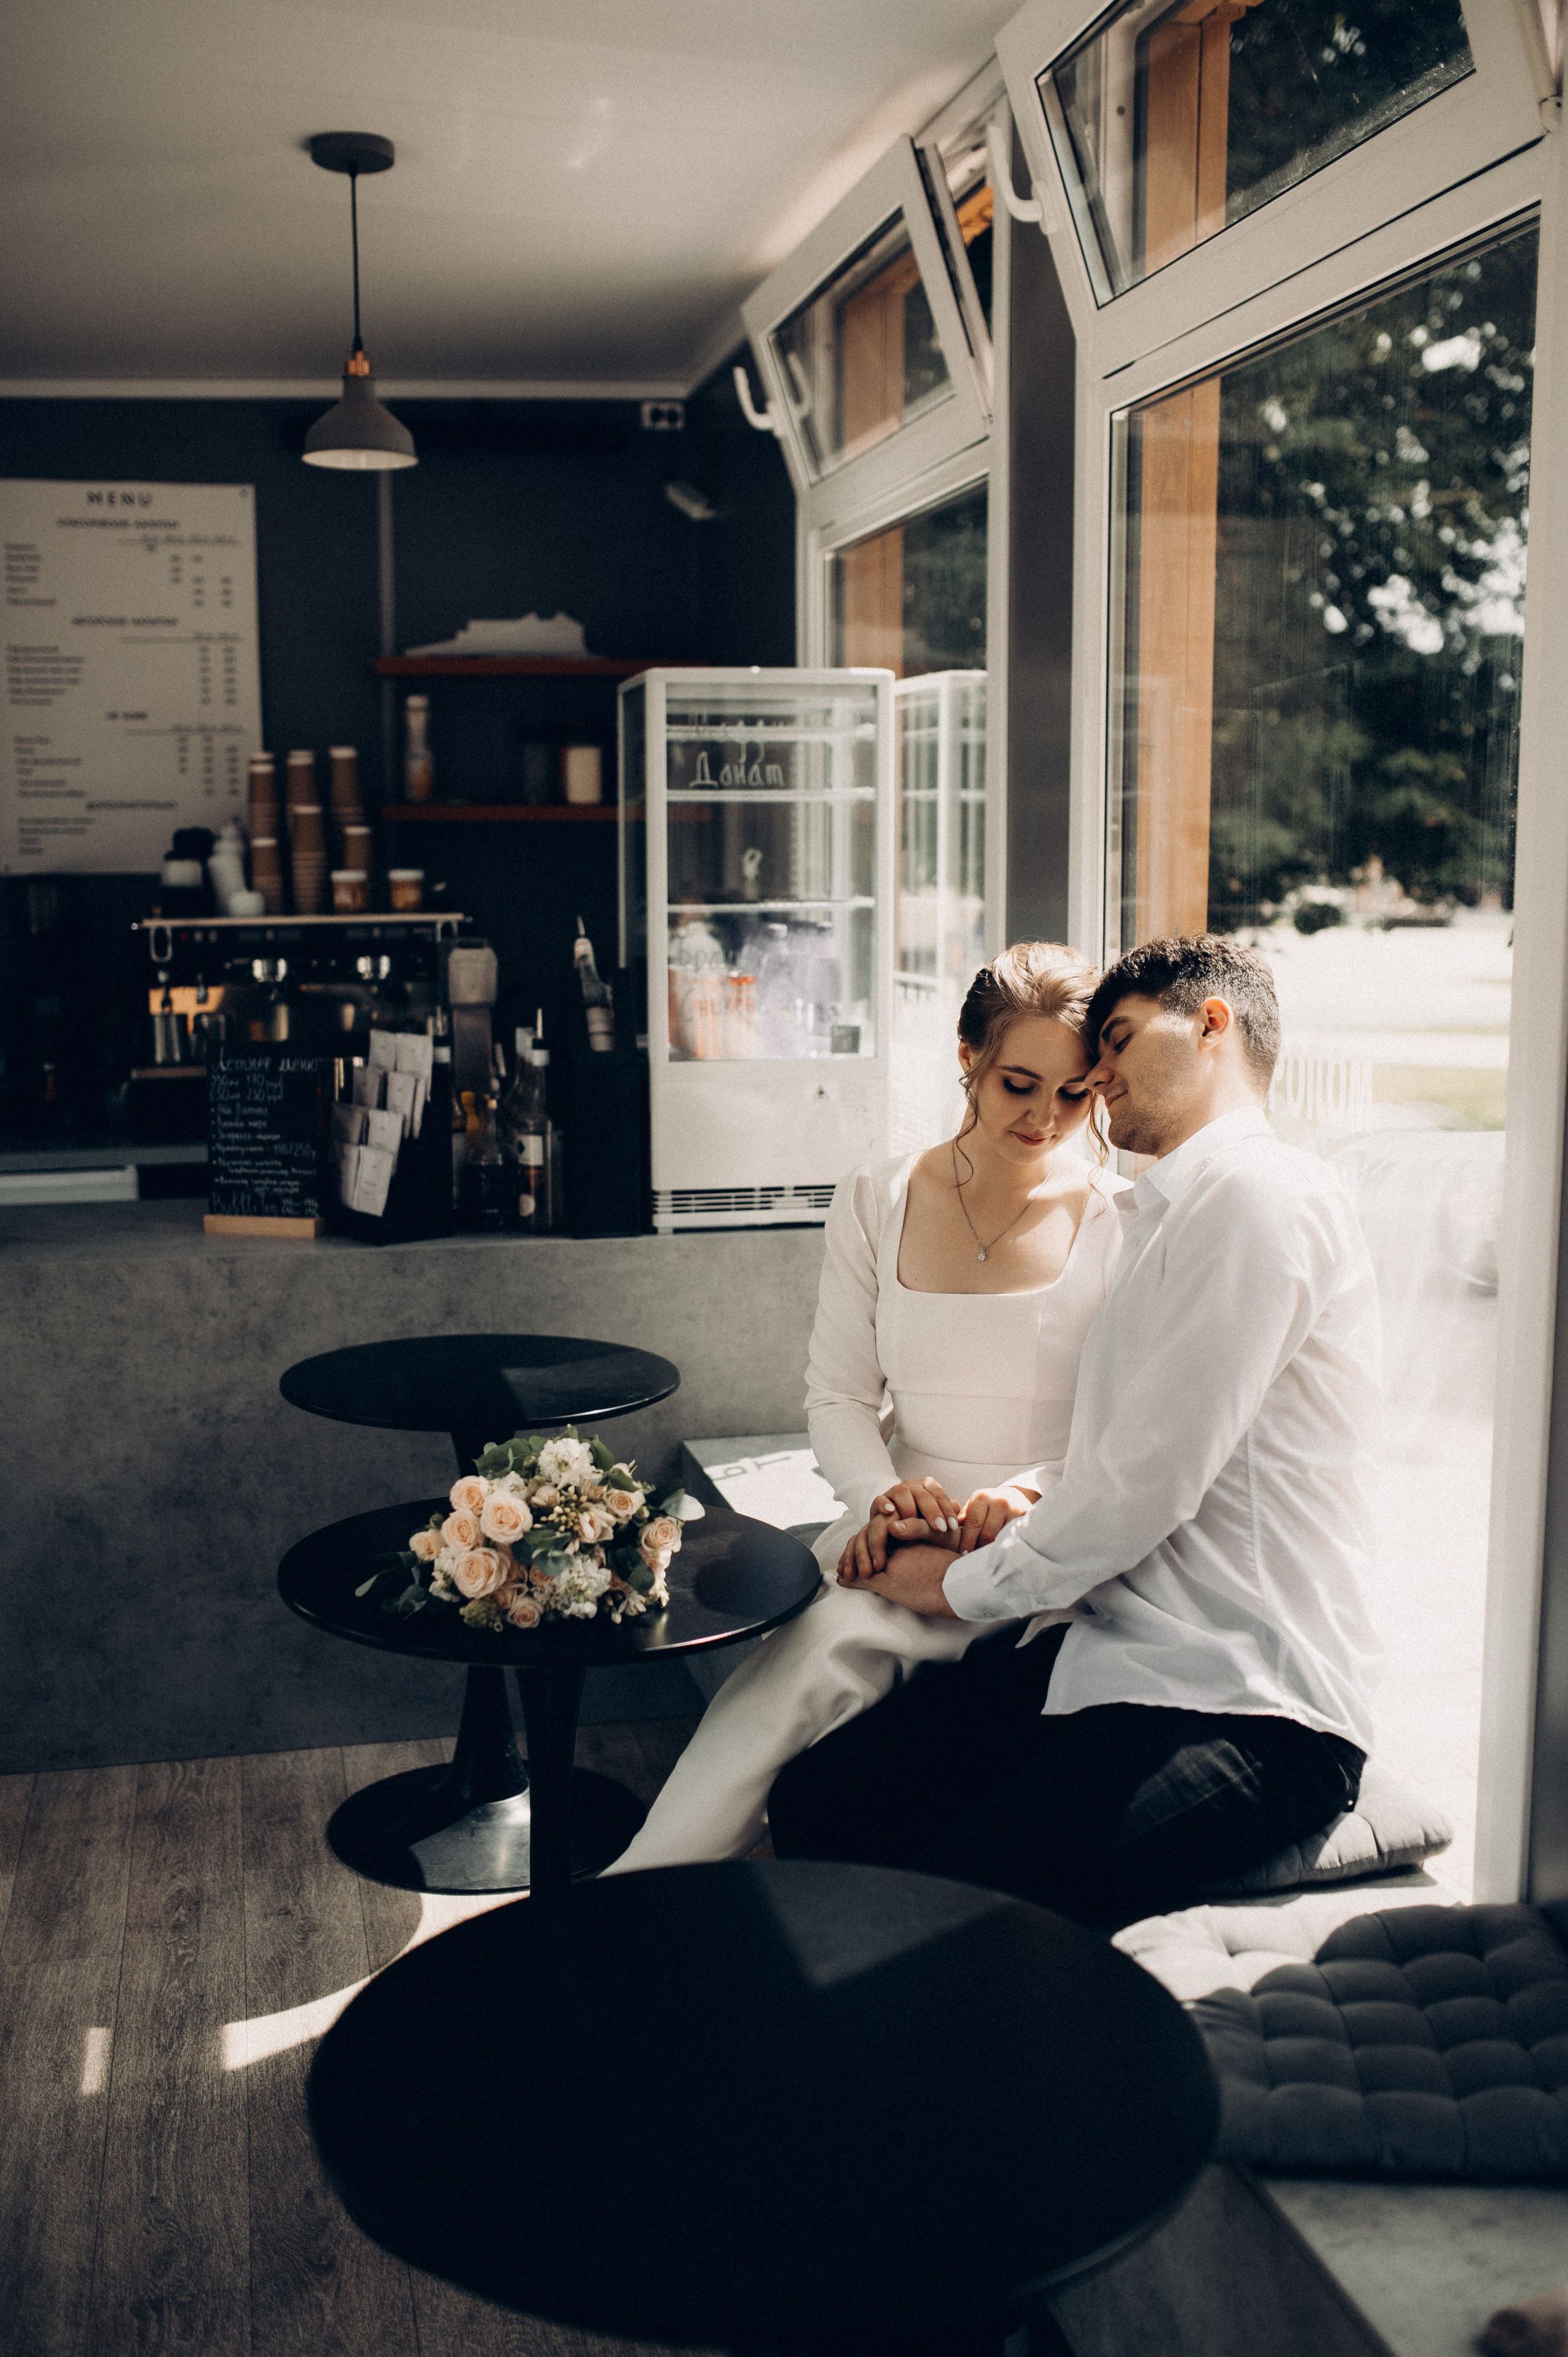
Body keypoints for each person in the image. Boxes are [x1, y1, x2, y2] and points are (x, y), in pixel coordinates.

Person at [766, 934, 1383, 1929]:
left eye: (1121, 1040)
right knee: (819, 1799)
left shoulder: (1260, 1197)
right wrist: (1007, 1502)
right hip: (1110, 1656)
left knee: (963, 1903)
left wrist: (955, 1586)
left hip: (1253, 1701)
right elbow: (1107, 1459)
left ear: (1211, 1026)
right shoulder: (1161, 1218)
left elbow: (1147, 1483)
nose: (1096, 1078)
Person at [606, 942, 1127, 1872]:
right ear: (968, 1056)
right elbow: (840, 1394)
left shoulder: (1124, 1220)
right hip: (892, 1529)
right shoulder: (877, 1197)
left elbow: (1125, 1429)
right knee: (817, 1659)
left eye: (1075, 1094)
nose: (1046, 1117)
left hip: (1044, 1546)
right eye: (1019, 1084)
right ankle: (634, 1899)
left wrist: (1028, 1495)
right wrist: (880, 1498)